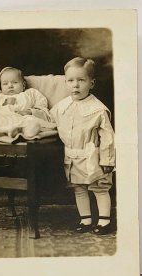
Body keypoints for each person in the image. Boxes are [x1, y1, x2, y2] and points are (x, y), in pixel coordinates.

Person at [51, 57, 115, 235]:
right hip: (72, 156)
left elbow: (108, 137)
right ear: (65, 82)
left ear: (91, 83)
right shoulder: (61, 107)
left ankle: (104, 221)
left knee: (99, 188)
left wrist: (107, 159)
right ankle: (85, 220)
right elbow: (49, 121)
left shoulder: (97, 109)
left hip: (93, 156)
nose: (75, 85)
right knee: (79, 188)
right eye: (71, 81)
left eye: (81, 80)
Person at [0, 67, 55, 140]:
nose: (10, 86)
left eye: (15, 82)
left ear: (23, 85)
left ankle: (26, 131)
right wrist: (4, 103)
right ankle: (8, 130)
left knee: (31, 121)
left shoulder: (30, 93)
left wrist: (30, 111)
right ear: (1, 86)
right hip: (5, 116)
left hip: (23, 116)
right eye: (5, 84)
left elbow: (41, 104)